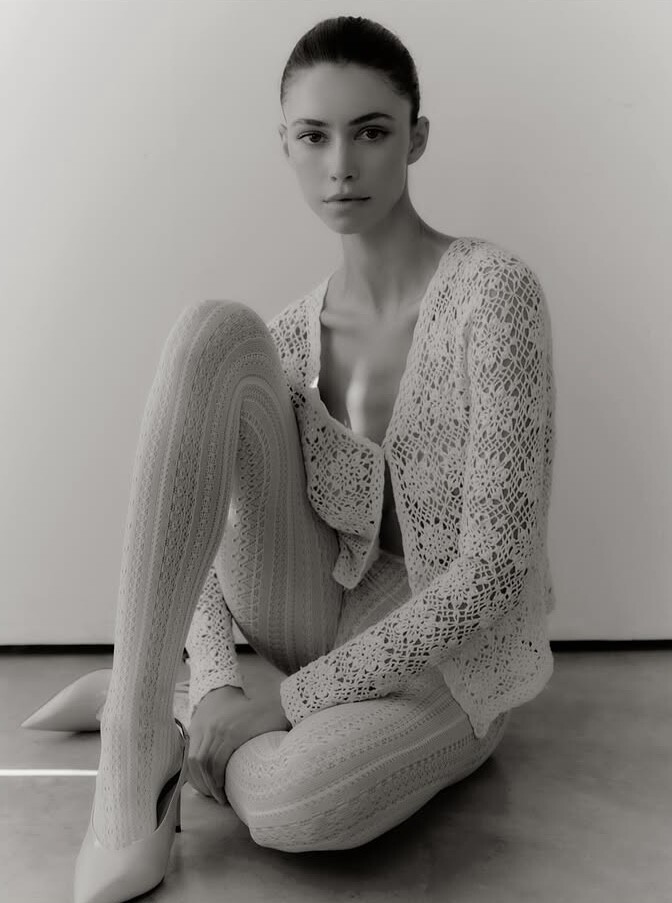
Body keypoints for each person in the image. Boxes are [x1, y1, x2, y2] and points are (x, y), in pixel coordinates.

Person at [72, 15, 557, 903]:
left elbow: (493, 570)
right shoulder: (291, 335)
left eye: (370, 132)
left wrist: (290, 701)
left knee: (297, 802)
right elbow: (201, 533)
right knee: (214, 334)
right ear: (286, 145)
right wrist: (221, 682)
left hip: (454, 662)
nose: (341, 165)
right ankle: (138, 734)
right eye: (313, 136)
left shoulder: (493, 297)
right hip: (316, 609)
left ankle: (172, 715)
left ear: (415, 137)